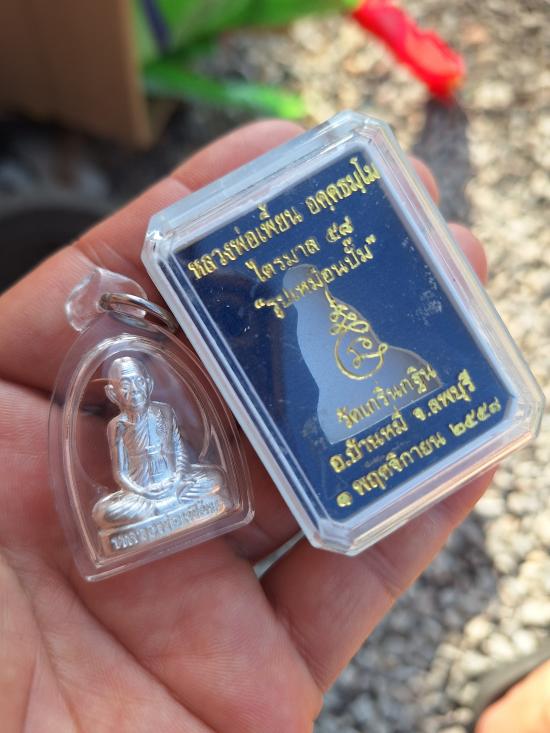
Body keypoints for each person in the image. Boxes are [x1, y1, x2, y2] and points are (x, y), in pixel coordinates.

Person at [0, 120, 494, 732]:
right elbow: (132, 479)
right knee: (114, 511)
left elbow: (185, 462)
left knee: (207, 486)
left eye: (137, 385)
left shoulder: (168, 408)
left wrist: (174, 486)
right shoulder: (126, 426)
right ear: (113, 392)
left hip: (185, 491)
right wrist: (151, 492)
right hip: (149, 501)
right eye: (122, 389)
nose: (133, 394)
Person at [93, 355, 220, 530]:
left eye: (139, 382)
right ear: (113, 393)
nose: (135, 390)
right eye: (125, 386)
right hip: (142, 494)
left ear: (149, 384)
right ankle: (166, 508)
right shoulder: (117, 426)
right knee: (104, 512)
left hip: (175, 485)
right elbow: (120, 473)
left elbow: (179, 450)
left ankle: (158, 511)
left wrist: (177, 478)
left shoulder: (164, 411)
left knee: (214, 477)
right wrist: (142, 491)